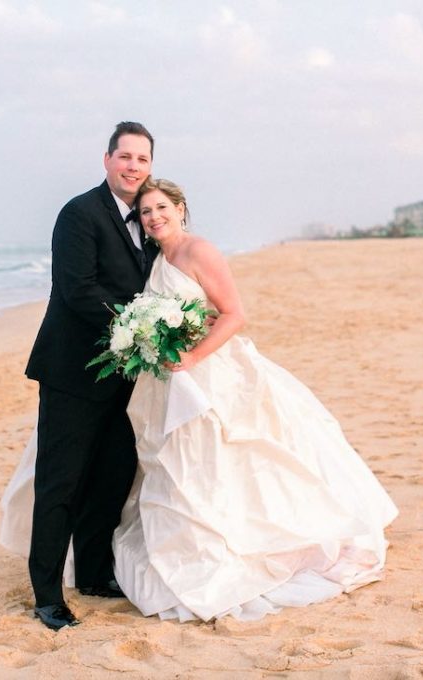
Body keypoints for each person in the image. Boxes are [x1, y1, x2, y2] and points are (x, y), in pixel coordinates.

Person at [108, 178, 399, 621]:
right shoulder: (158, 257)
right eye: (146, 212)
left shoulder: (198, 251)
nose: (154, 218)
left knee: (220, 456)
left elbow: (235, 314)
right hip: (171, 380)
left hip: (210, 372)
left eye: (162, 208)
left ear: (181, 208)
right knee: (177, 462)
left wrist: (192, 356)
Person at [20, 122, 158, 630]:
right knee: (61, 483)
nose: (132, 167)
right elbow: (78, 289)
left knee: (111, 479)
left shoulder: (148, 218)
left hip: (126, 377)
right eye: (125, 157)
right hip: (73, 372)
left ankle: (96, 573)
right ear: (106, 160)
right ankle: (47, 596)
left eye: (142, 160)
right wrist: (142, 322)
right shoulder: (78, 214)